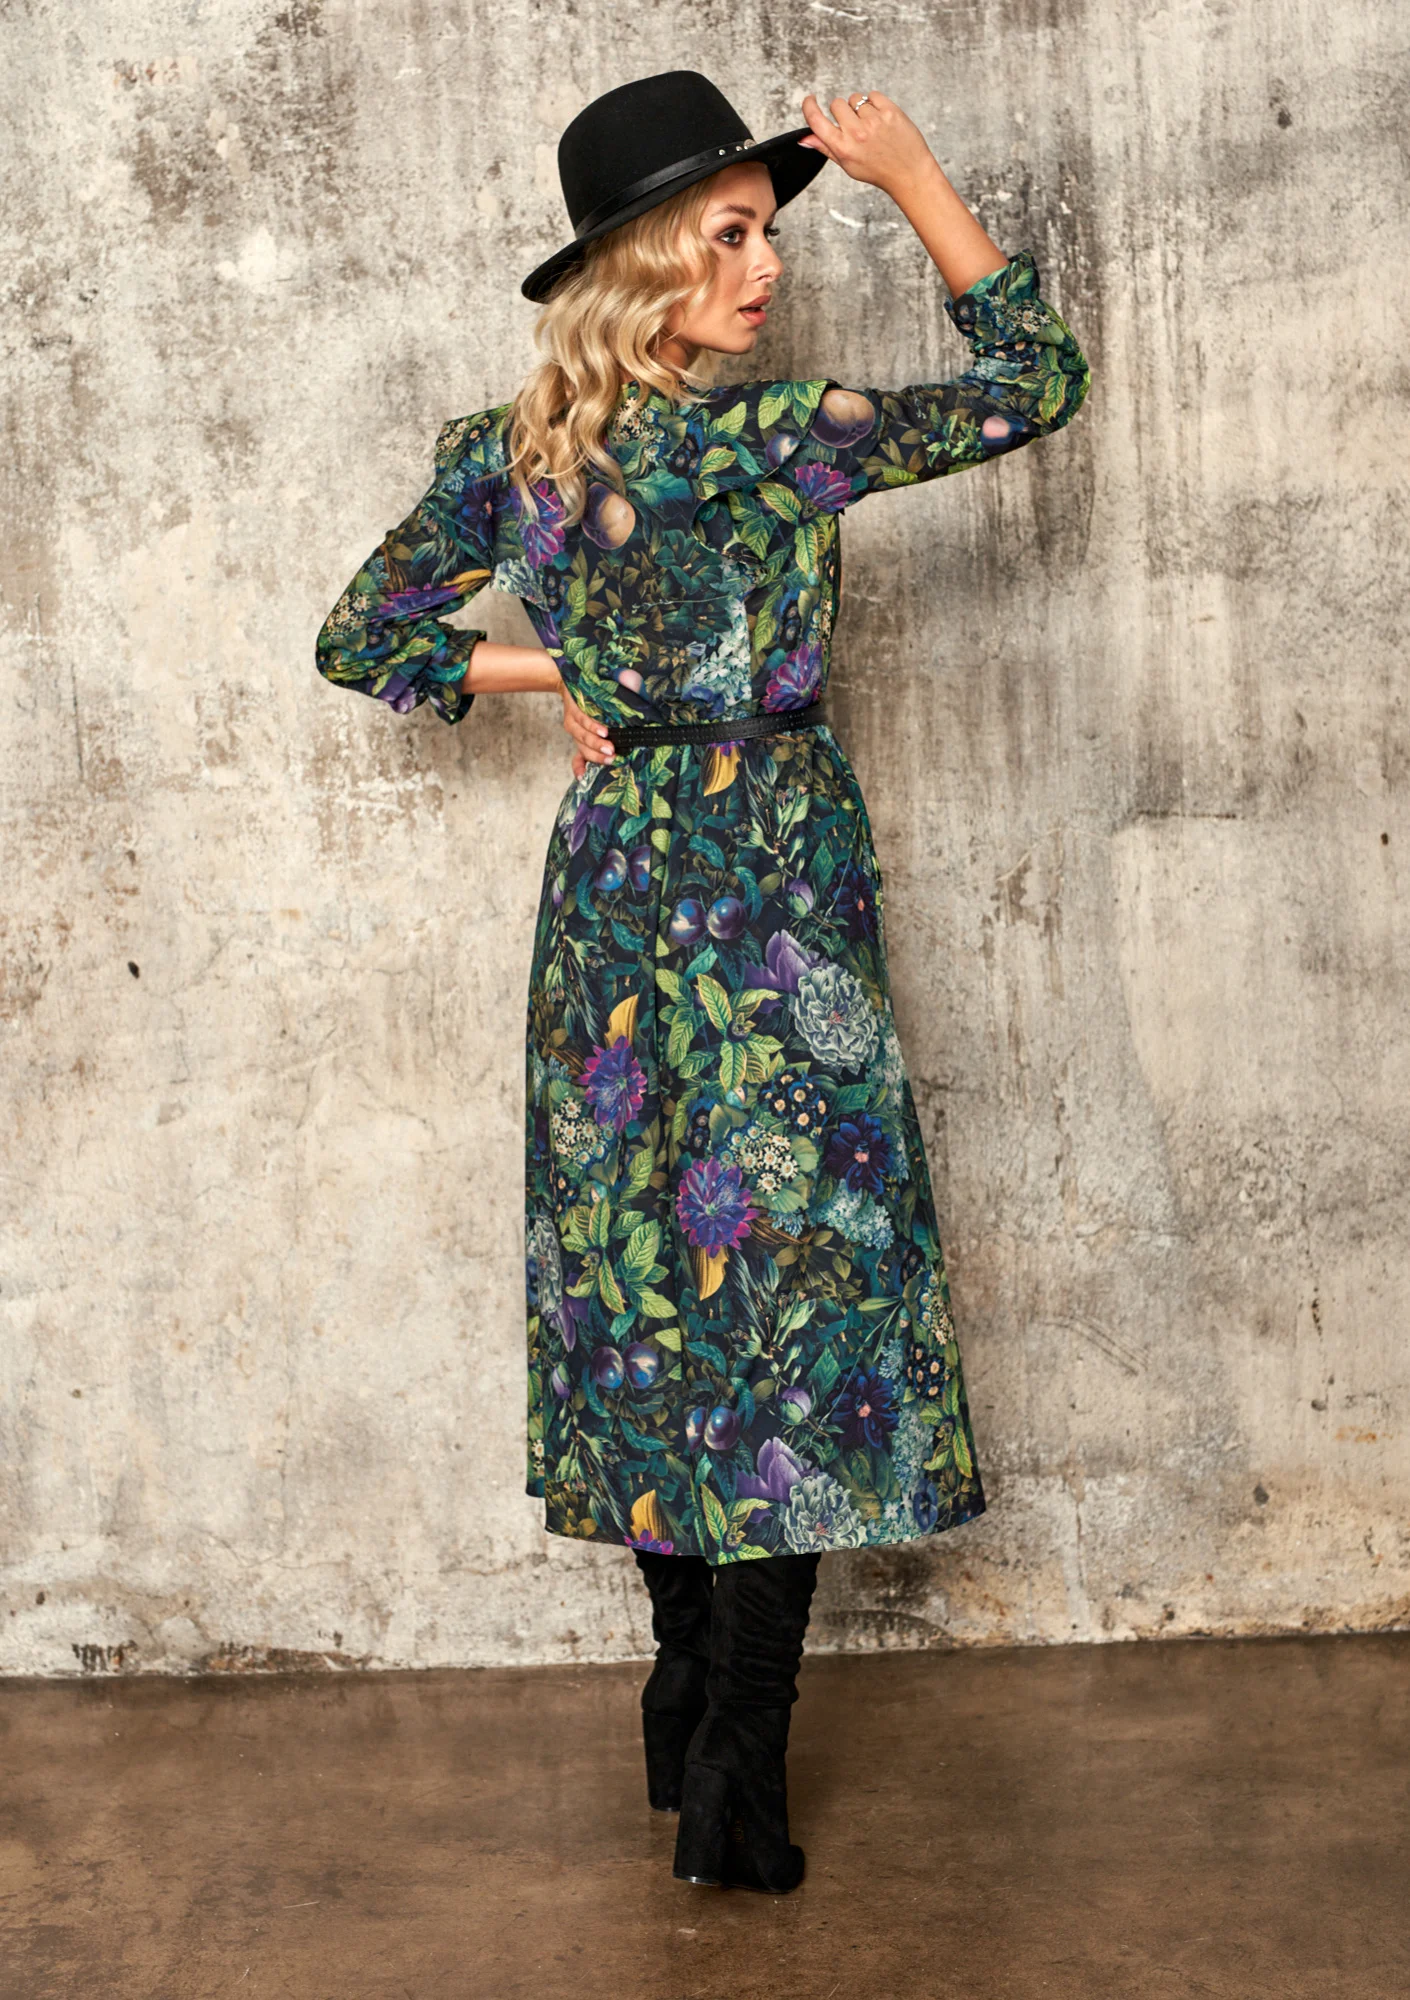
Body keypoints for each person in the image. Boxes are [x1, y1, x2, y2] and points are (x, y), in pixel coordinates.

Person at [315, 69, 1090, 1894]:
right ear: (645, 261)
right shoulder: (788, 436)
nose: (765, 266)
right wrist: (910, 174)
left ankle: (687, 1699)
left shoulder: (512, 454)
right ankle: (737, 1747)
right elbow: (1034, 378)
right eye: (731, 234)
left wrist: (553, 684)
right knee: (787, 1295)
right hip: (769, 883)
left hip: (615, 891)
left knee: (651, 1282)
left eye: (768, 231)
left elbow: (366, 636)